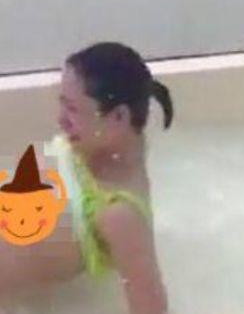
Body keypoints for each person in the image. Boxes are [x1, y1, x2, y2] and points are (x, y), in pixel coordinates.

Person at [0, 41, 172, 314]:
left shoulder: (119, 214)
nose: (60, 120)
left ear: (119, 116)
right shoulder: (114, 139)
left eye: (72, 109)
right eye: (62, 105)